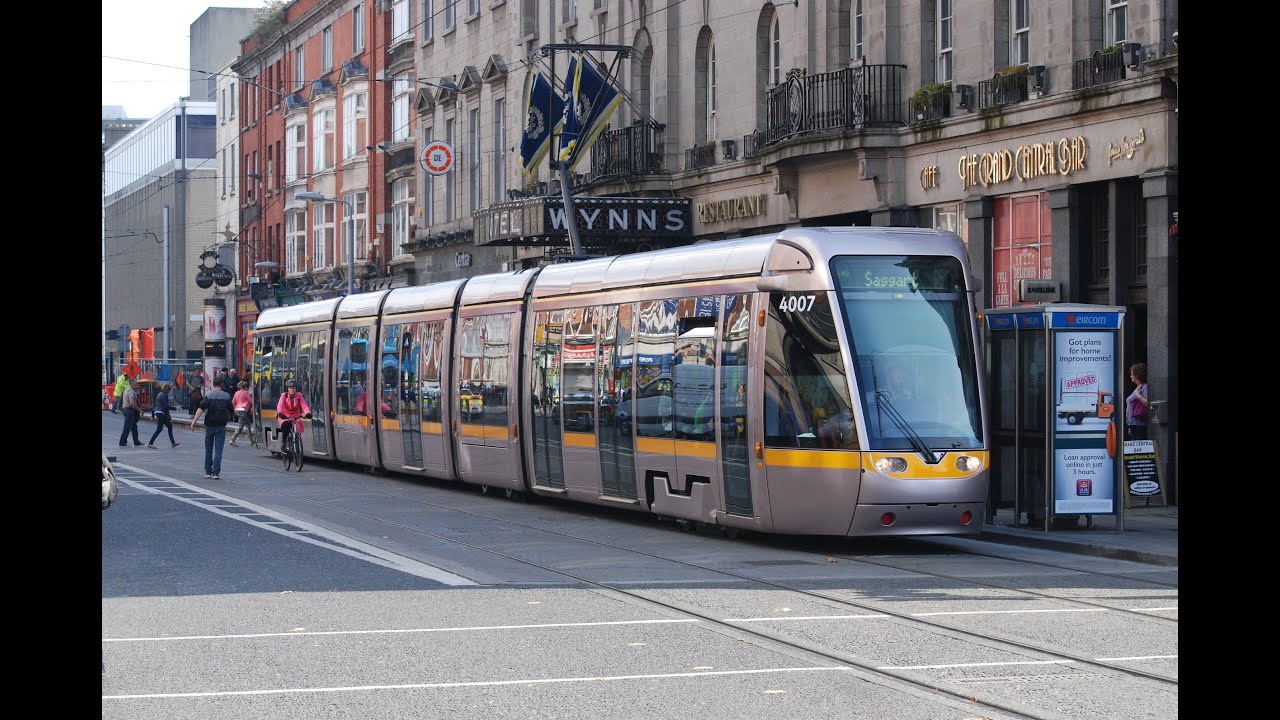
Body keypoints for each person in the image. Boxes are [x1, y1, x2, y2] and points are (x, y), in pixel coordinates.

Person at [191, 376, 234, 479]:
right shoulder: (226, 396)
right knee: (219, 450)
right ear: (222, 384)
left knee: (208, 449)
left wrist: (194, 421)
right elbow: (231, 410)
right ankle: (216, 473)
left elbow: (201, 409)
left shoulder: (208, 395)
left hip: (210, 425)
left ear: (213, 384)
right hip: (221, 425)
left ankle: (208, 471)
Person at [276, 379, 312, 445]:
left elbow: (304, 405)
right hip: (285, 415)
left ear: (296, 389)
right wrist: (280, 413)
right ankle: (284, 442)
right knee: (285, 426)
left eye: (294, 388)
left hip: (296, 415)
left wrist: (308, 413)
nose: (292, 389)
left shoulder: (299, 395)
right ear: (288, 389)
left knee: (297, 429)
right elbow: (279, 405)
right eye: (290, 388)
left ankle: (297, 442)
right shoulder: (284, 395)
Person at [146, 382, 181, 449]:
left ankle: (173, 443)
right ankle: (150, 443)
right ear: (167, 390)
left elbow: (154, 405)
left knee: (169, 426)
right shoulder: (164, 395)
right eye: (169, 390)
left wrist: (152, 415)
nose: (169, 392)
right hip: (161, 413)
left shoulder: (159, 394)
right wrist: (175, 408)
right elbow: (166, 406)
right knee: (159, 429)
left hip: (158, 412)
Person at [1126, 362, 1150, 440]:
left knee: (1140, 450)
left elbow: (1147, 403)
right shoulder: (1138, 388)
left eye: (1132, 374)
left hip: (1140, 425)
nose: (1130, 376)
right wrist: (1130, 426)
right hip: (1134, 426)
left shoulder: (1144, 387)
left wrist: (1138, 395)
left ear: (1137, 375)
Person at [229, 380, 257, 447]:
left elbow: (233, 402)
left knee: (246, 425)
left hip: (237, 410)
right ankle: (232, 440)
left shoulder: (236, 392)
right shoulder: (245, 393)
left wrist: (235, 409)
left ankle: (251, 440)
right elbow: (251, 401)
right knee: (242, 426)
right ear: (246, 387)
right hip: (243, 410)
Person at [118, 378, 143, 448]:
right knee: (127, 426)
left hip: (126, 409)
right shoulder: (131, 391)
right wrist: (140, 410)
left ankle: (136, 441)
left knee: (133, 426)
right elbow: (132, 403)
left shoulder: (128, 389)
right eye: (135, 384)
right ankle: (122, 442)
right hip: (128, 410)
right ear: (131, 384)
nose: (137, 385)